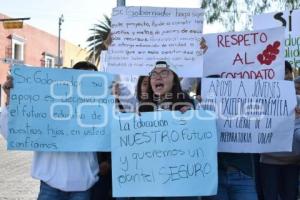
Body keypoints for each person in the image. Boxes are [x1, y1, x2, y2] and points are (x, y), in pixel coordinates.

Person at [1, 61, 99, 200]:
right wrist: (11, 98)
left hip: (83, 186)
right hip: (50, 186)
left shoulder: (100, 112)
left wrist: (116, 100)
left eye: (92, 80)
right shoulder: (45, 107)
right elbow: (11, 133)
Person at [134, 61, 197, 200]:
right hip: (149, 181)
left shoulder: (187, 104)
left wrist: (193, 119)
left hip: (179, 180)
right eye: (154, 74)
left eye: (164, 73)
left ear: (174, 81)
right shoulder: (143, 108)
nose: (158, 77)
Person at [258, 61, 300, 200]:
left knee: (290, 196)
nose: (285, 77)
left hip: (293, 161)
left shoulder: (298, 99)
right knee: (270, 196)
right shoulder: (260, 100)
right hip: (269, 161)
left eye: (287, 73)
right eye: (281, 74)